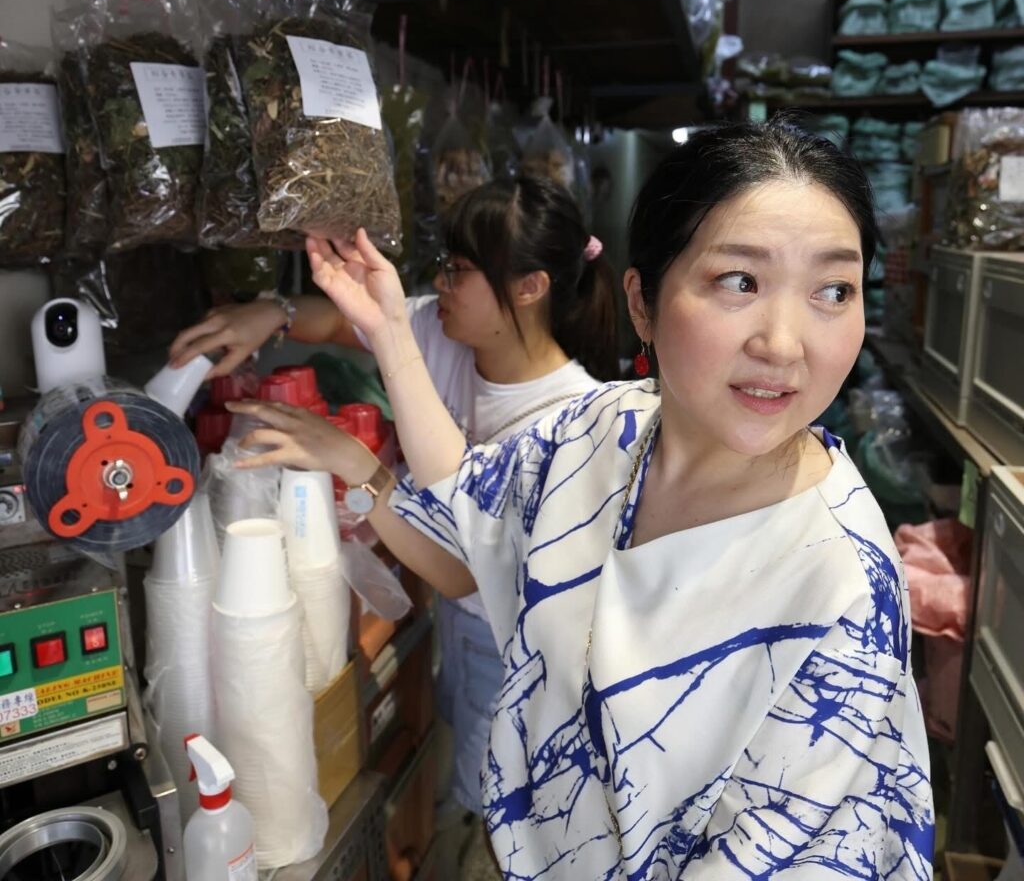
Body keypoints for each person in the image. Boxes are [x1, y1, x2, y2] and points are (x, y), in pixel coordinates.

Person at [225, 119, 935, 880]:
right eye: (740, 281)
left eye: (834, 290)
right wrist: (389, 336)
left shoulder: (843, 586)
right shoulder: (604, 429)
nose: (785, 344)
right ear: (643, 303)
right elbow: (468, 508)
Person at [169, 175, 619, 823]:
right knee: (472, 769)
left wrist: (355, 464)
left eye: (458, 270)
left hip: (517, 652)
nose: (440, 282)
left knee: (509, 814)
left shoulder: (572, 423)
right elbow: (348, 322)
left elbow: (462, 567)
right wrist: (274, 313)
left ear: (529, 288)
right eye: (443, 263)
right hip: (462, 623)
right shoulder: (445, 332)